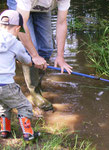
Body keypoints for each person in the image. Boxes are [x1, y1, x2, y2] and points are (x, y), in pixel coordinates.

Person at [7, 0, 73, 111]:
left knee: (46, 49)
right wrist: (34, 55)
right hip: (21, 4)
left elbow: (62, 23)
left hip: (41, 7)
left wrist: (60, 56)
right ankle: (34, 92)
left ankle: (37, 81)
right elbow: (21, 25)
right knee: (30, 52)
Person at [0, 10, 40, 141]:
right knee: (24, 106)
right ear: (17, 28)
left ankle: (4, 131)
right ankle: (28, 133)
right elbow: (27, 61)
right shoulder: (15, 43)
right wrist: (34, 61)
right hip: (5, 84)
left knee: (3, 104)